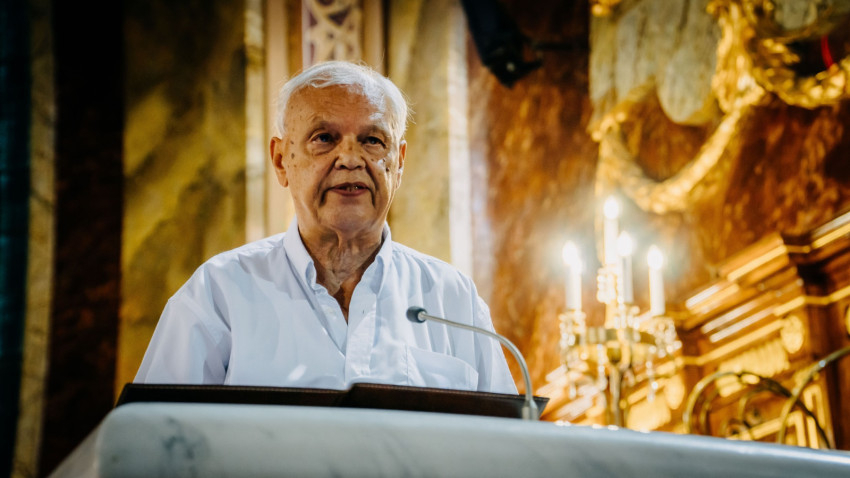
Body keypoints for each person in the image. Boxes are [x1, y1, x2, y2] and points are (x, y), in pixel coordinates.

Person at [135, 60, 517, 394]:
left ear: (399, 162)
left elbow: (504, 443)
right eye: (324, 138)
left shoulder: (453, 300)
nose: (350, 158)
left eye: (372, 140)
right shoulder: (218, 294)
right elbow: (154, 440)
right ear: (281, 160)